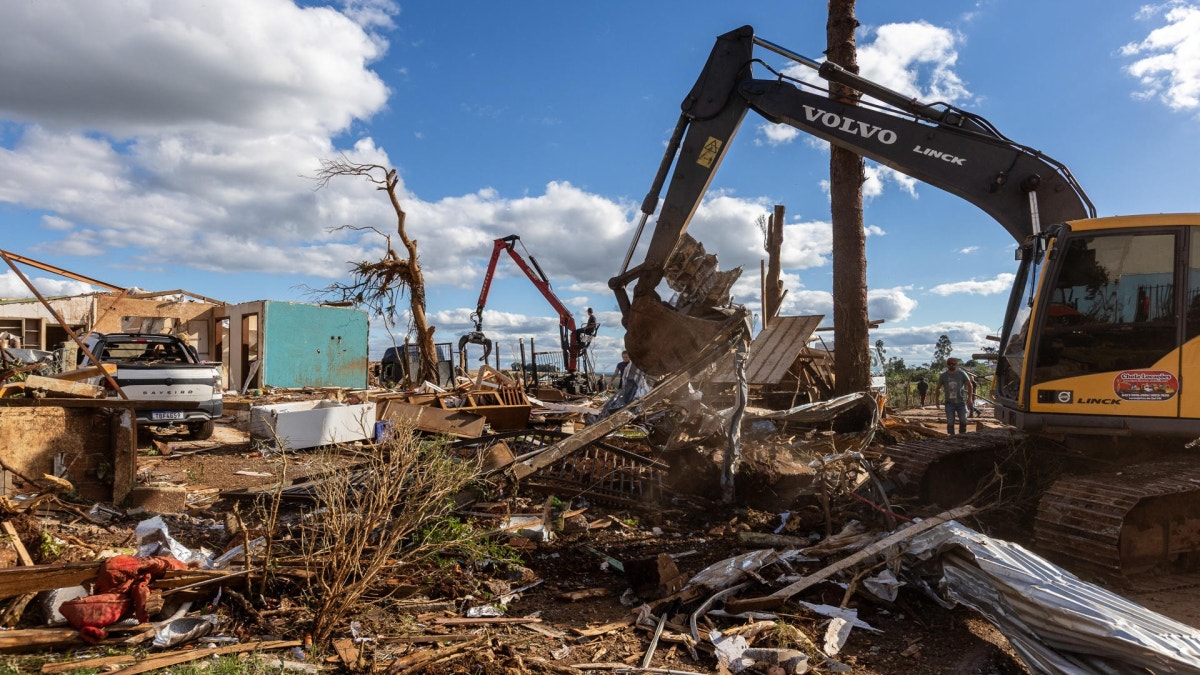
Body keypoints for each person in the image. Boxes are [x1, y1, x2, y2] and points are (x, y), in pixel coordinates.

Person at [933, 357, 973, 435]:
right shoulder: (943, 376)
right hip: (949, 403)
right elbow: (938, 388)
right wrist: (937, 400)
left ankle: (962, 435)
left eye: (953, 364)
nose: (951, 365)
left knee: (963, 421)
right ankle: (951, 437)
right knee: (950, 422)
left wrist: (970, 398)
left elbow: (970, 385)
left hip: (961, 402)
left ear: (956, 365)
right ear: (947, 365)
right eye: (949, 364)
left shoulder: (961, 374)